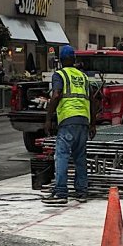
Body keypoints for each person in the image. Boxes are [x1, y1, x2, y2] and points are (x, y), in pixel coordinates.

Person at [42, 45, 96, 205]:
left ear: (61, 60)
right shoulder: (83, 77)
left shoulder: (60, 75)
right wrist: (93, 124)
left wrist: (48, 119)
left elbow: (57, 95)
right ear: (73, 60)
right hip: (83, 121)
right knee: (80, 157)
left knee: (62, 156)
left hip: (67, 119)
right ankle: (82, 191)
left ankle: (60, 192)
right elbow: (93, 100)